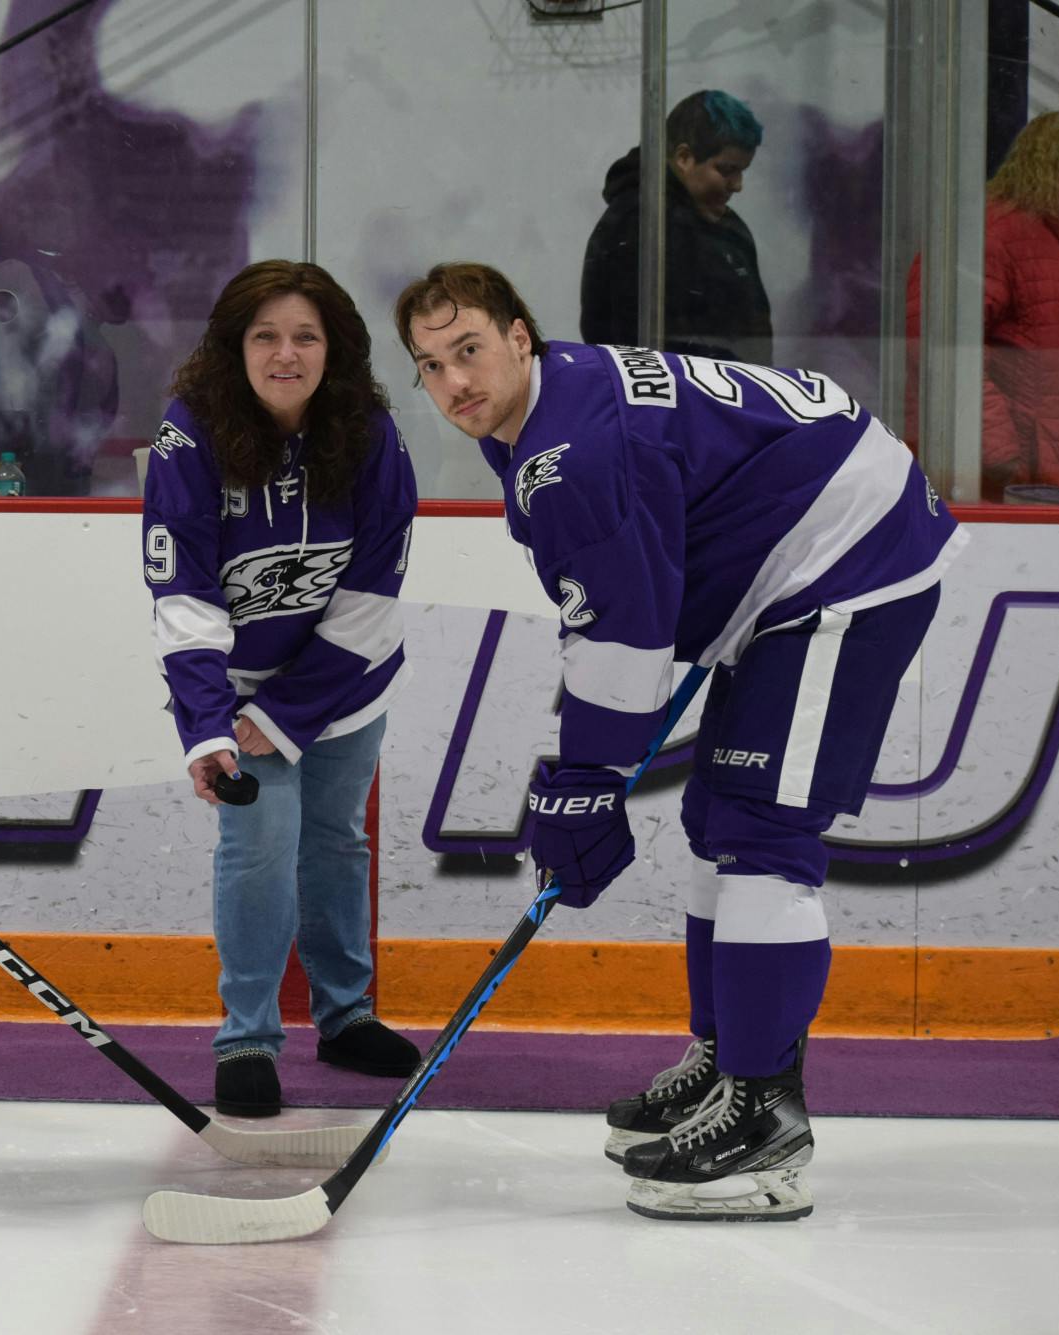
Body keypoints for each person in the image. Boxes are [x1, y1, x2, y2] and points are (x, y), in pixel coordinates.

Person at [396, 262, 965, 1221]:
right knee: (715, 817)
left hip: (850, 558)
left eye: (470, 349)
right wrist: (591, 770)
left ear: (520, 337)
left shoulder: (570, 448)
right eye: (431, 365)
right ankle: (727, 1059)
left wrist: (586, 777)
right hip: (793, 561)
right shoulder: (547, 411)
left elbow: (625, 631)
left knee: (761, 829)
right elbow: (641, 579)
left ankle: (765, 1114)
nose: (455, 381)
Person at [143, 260, 423, 1118]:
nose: (285, 353)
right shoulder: (190, 435)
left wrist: (288, 711)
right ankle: (249, 1037)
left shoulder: (370, 436)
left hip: (343, 686)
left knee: (334, 841)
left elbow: (374, 598)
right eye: (265, 335)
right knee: (258, 845)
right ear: (235, 348)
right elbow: (182, 592)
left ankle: (345, 1016)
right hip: (232, 688)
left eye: (305, 335)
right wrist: (211, 725)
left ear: (334, 349)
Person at [905, 109, 1059, 505]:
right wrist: (1002, 454)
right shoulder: (998, 234)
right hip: (1028, 500)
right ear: (1054, 164)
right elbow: (938, 339)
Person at [580, 89, 772, 366]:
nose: (738, 185)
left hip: (727, 402)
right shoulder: (639, 225)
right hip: (670, 404)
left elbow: (755, 338)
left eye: (742, 171)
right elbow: (622, 346)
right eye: (727, 170)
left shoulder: (729, 229)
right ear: (684, 158)